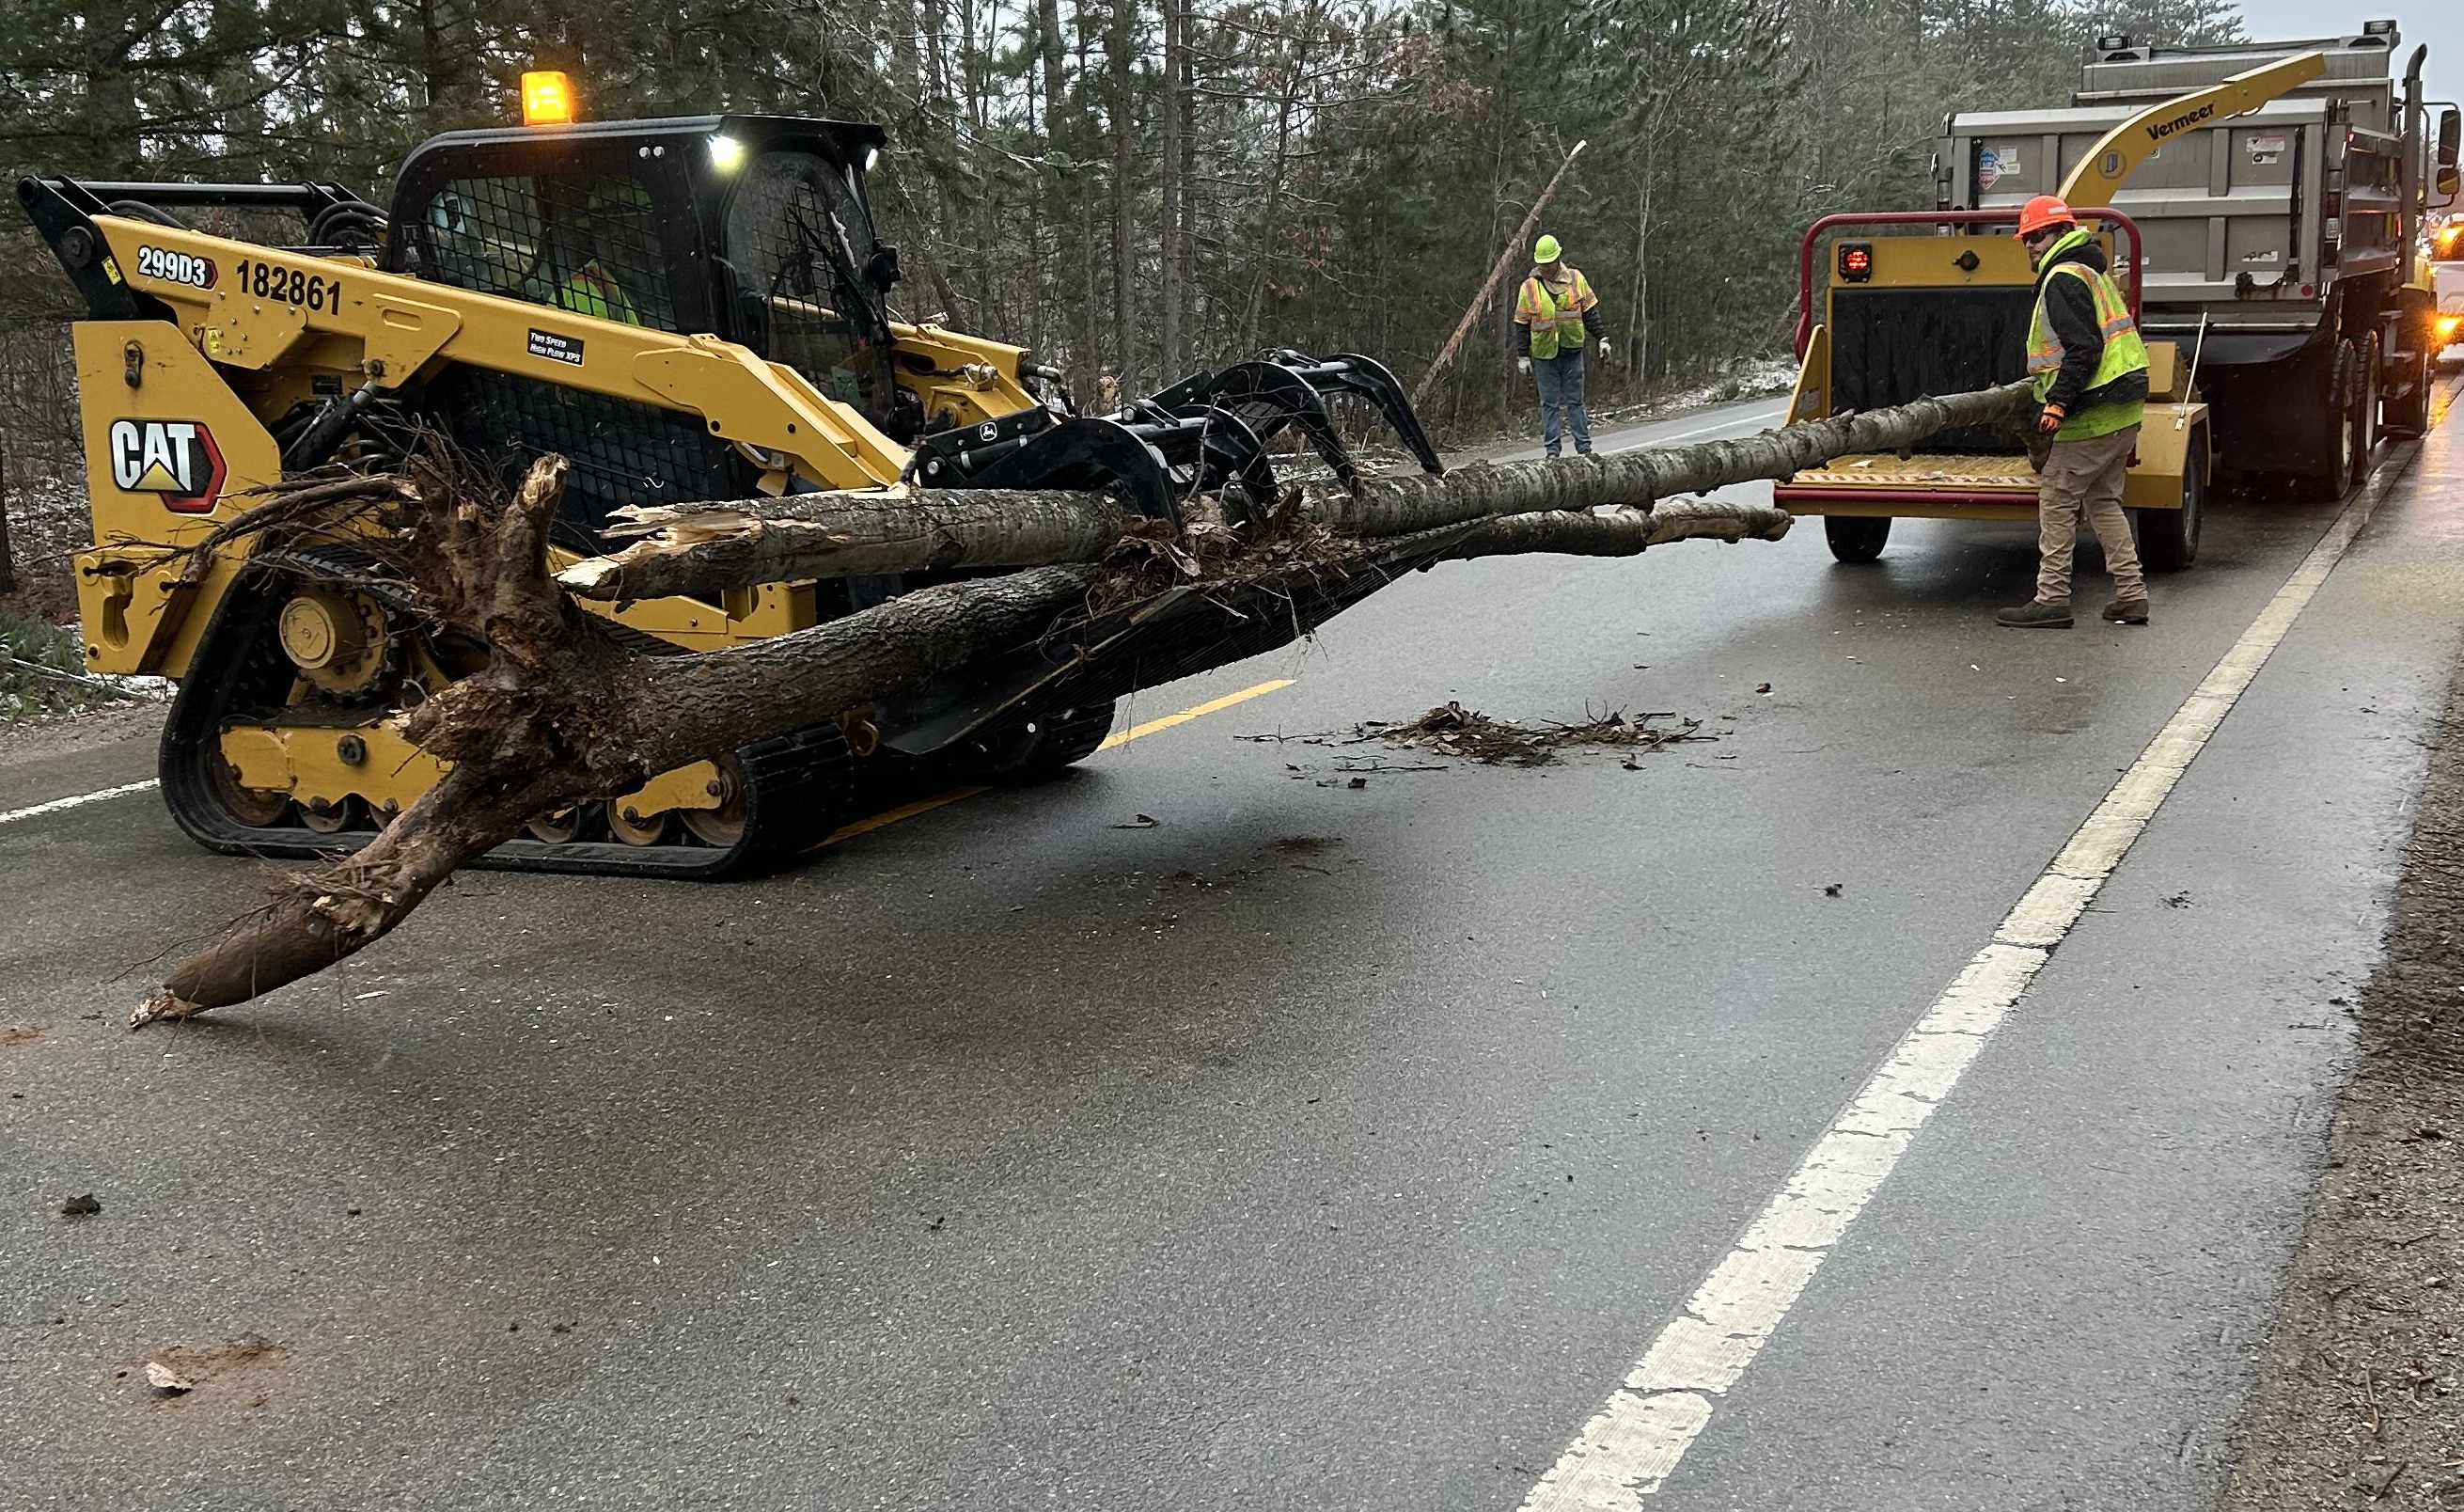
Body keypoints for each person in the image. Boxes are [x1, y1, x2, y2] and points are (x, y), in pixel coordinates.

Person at [1997, 195, 2152, 629]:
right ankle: (2132, 596)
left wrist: (2058, 401)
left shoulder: (2063, 278)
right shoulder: (2089, 270)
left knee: (2057, 500)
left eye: (2038, 236)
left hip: (2094, 410)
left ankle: (2052, 599)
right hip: (2122, 406)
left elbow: (2084, 348)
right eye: (2027, 238)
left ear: (2063, 232)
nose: (2031, 245)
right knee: (2103, 502)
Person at [1514, 234, 1611, 459]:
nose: (1546, 268)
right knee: (1549, 404)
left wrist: (1602, 338)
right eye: (1543, 265)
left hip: (1571, 351)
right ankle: (1552, 451)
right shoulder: (1529, 287)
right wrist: (1523, 355)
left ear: (1558, 259)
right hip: (1544, 355)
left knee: (1576, 401)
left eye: (1549, 264)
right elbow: (1521, 323)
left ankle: (1584, 448)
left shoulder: (1576, 279)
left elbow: (1590, 313)